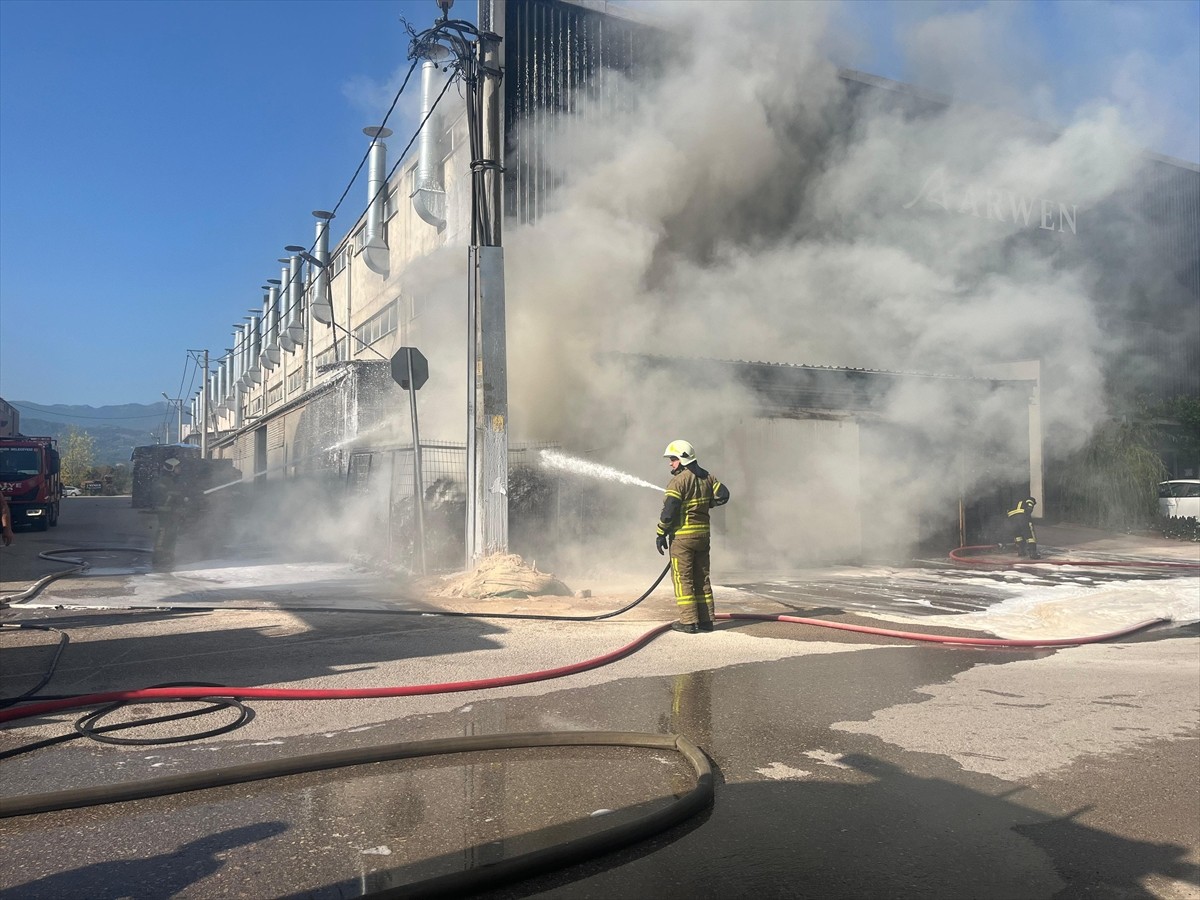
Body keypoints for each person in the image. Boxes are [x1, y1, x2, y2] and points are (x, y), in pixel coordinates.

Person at [655, 440, 730, 634]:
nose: (670, 464)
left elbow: (669, 511)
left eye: (672, 459)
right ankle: (706, 621)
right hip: (703, 537)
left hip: (682, 539)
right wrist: (707, 505)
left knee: (683, 579)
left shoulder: (679, 481)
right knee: (702, 577)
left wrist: (661, 532)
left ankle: (688, 622)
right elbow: (724, 495)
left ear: (681, 459)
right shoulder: (708, 477)